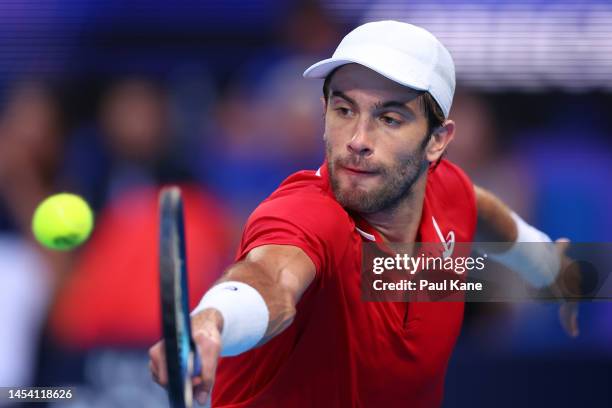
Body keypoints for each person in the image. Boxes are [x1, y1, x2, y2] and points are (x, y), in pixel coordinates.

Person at [149, 20, 578, 407]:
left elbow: (484, 209)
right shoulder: (307, 214)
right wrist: (212, 322)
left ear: (437, 142)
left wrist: (545, 264)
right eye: (344, 110)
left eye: (389, 119)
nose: (357, 139)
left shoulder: (448, 192)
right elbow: (270, 278)